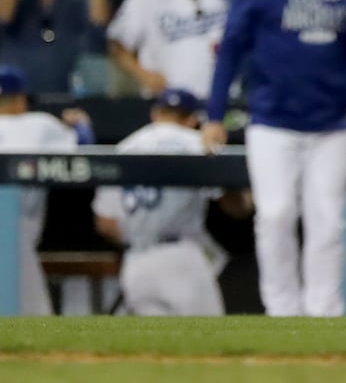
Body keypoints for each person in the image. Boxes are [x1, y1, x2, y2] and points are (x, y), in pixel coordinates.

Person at [202, 0, 346, 317]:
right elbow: (229, 51)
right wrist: (214, 116)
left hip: (331, 124)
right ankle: (281, 309)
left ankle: (324, 310)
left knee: (329, 221)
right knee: (275, 214)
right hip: (272, 121)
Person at [92, 88, 247, 315]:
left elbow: (105, 223)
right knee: (208, 343)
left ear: (155, 114)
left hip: (136, 262)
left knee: (156, 348)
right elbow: (237, 208)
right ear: (193, 119)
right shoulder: (196, 144)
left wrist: (143, 234)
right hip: (181, 257)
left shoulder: (124, 148)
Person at [0, 66, 92, 315]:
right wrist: (81, 124)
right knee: (29, 317)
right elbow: (83, 147)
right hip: (13, 233)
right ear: (20, 98)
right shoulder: (37, 124)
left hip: (15, 230)